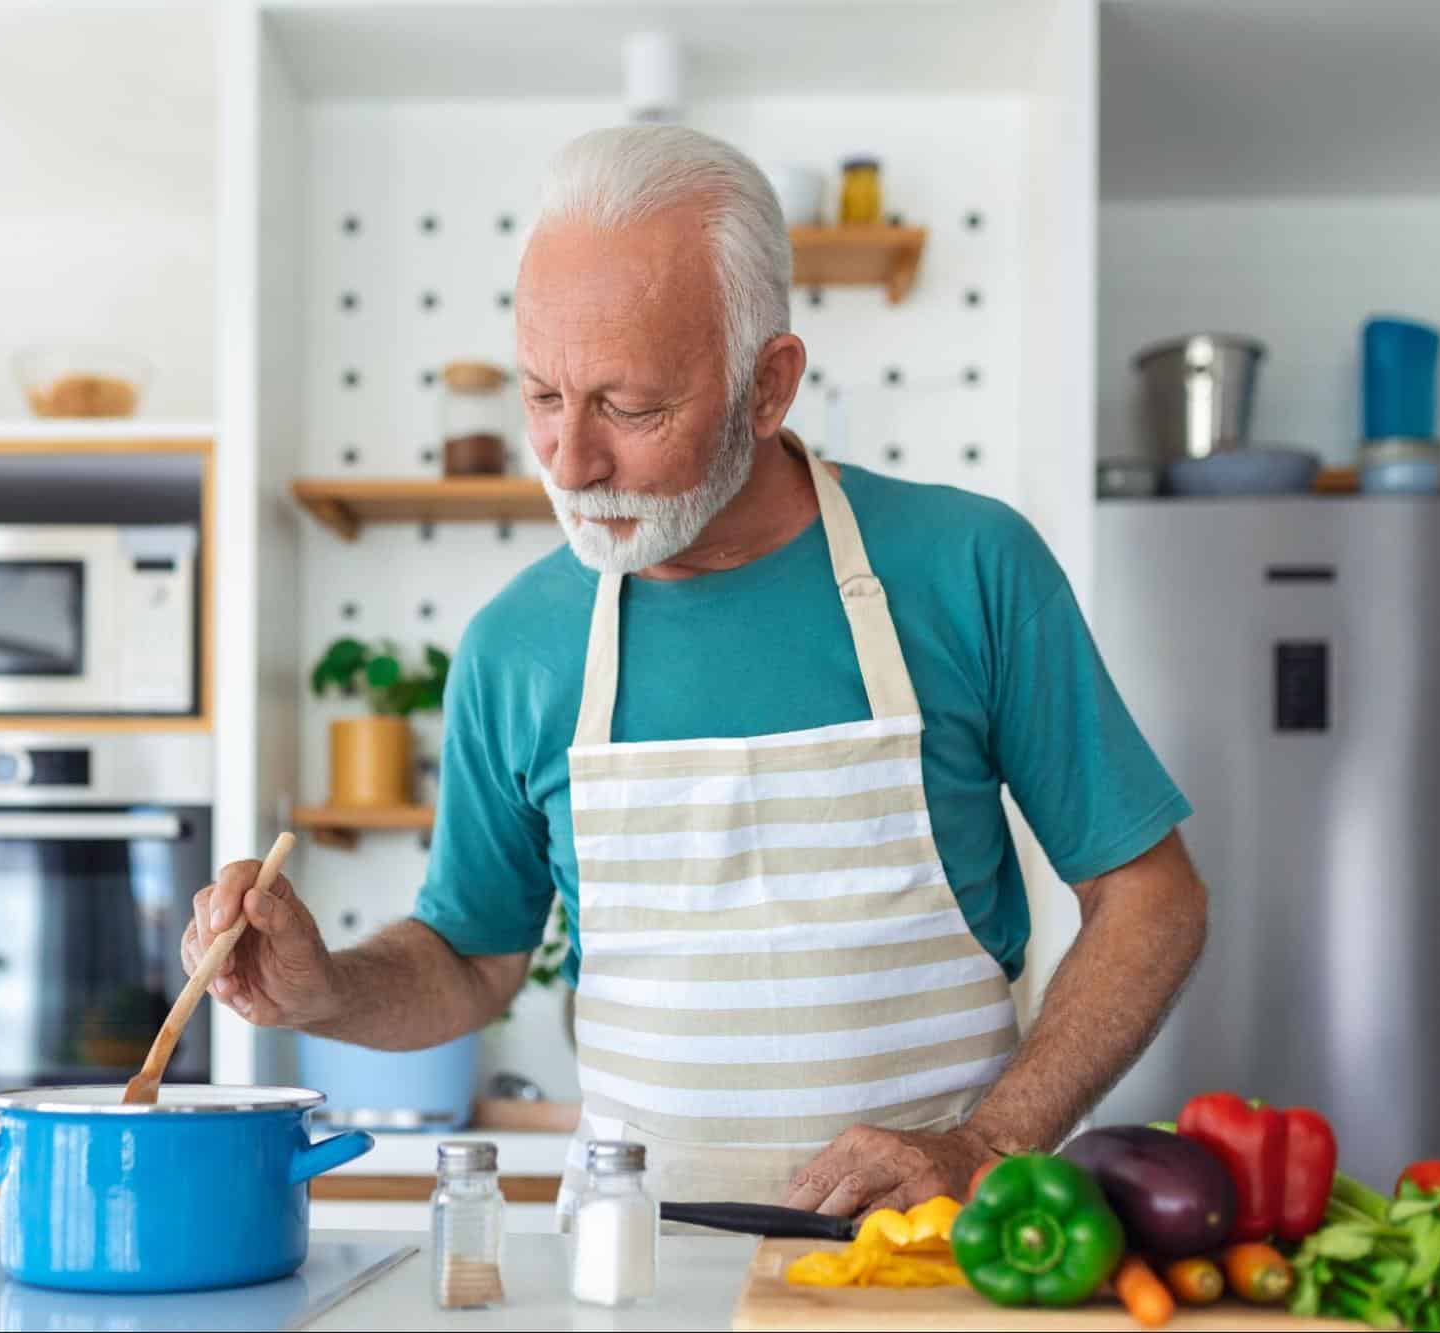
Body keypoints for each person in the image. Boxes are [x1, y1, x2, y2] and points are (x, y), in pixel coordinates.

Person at [184, 124, 1206, 1216]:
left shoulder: (967, 567)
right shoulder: (516, 644)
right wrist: (324, 990)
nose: (571, 463)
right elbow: (470, 956)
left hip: (937, 1256)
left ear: (767, 388)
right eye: (541, 397)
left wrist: (990, 1140)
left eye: (630, 408)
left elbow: (1149, 894)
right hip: (633, 1268)